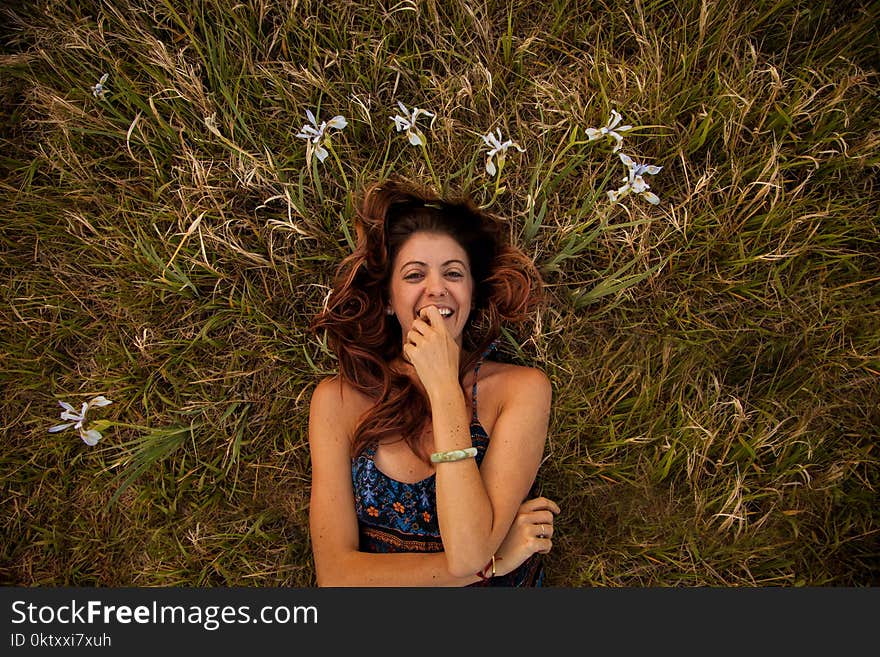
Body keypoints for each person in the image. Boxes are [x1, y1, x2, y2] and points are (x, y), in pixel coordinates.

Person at [308, 178, 560, 586]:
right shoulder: (337, 401)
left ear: (472, 295)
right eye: (413, 275)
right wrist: (495, 562)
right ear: (389, 300)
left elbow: (469, 550)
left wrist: (444, 387)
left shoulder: (521, 391)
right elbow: (336, 577)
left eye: (454, 273)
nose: (436, 288)